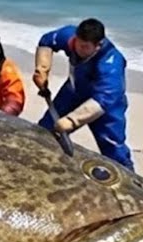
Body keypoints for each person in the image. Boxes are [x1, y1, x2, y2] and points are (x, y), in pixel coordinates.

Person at [32, 18, 133, 170]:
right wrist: (42, 69)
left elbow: (105, 98)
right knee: (45, 131)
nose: (79, 48)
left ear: (98, 46)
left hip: (104, 106)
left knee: (113, 149)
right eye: (78, 43)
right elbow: (47, 41)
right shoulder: (70, 38)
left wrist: (72, 121)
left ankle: (130, 182)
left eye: (85, 47)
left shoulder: (111, 63)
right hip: (74, 90)